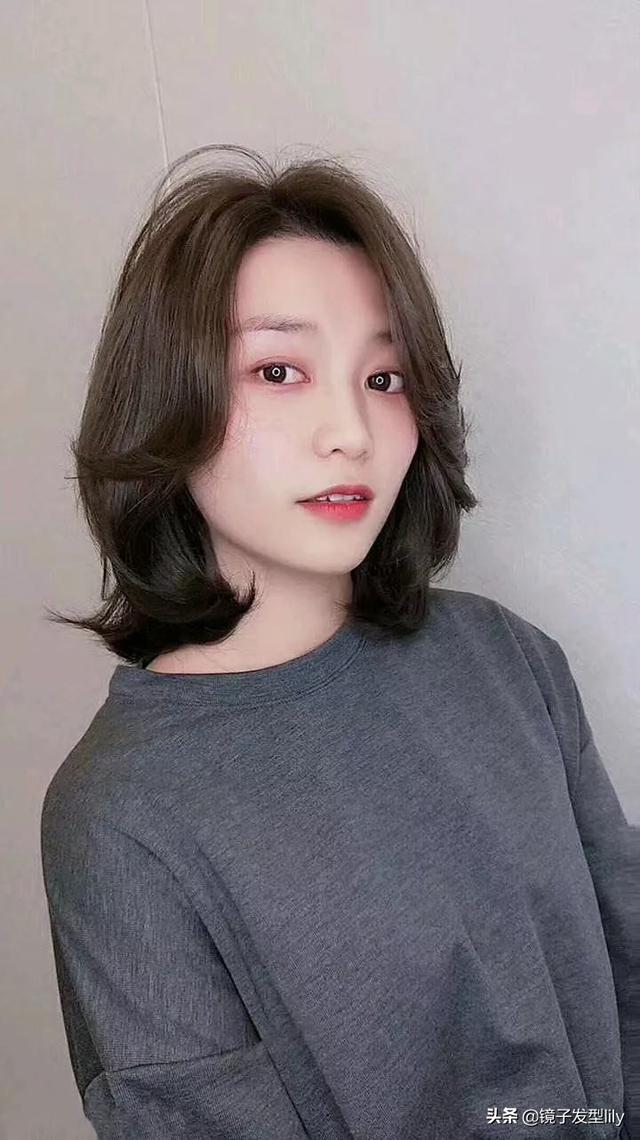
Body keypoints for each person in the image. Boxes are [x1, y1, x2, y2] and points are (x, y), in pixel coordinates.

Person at [40, 144, 637, 1140]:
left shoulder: (508, 661)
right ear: (166, 401)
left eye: (385, 376)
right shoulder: (124, 815)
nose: (351, 431)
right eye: (278, 371)